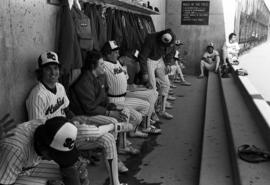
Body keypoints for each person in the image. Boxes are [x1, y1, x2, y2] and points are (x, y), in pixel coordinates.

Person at [25, 51, 127, 184]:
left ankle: (115, 183)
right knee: (78, 166)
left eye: (55, 68)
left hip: (68, 132)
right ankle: (112, 128)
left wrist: (75, 118)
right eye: (48, 69)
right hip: (54, 142)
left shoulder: (60, 87)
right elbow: (37, 132)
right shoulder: (37, 95)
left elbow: (66, 109)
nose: (53, 73)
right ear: (41, 72)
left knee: (107, 139)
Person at [69, 50, 140, 154]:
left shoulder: (101, 76)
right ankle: (111, 150)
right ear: (93, 66)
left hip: (98, 110)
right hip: (86, 114)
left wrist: (111, 107)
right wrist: (109, 112)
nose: (103, 66)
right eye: (101, 64)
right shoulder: (84, 81)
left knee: (124, 112)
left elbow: (104, 98)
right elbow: (89, 108)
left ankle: (121, 146)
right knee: (114, 121)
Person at [0, 116, 83, 185]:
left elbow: (68, 167)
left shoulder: (48, 127)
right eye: (53, 155)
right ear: (42, 146)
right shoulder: (16, 149)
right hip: (6, 171)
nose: (52, 159)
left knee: (75, 171)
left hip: (26, 166)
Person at [101, 41, 153, 137]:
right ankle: (123, 139)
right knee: (136, 117)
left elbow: (126, 80)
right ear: (108, 54)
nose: (118, 54)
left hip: (124, 98)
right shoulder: (103, 65)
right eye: (115, 52)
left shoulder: (117, 63)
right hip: (113, 100)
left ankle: (132, 130)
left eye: (118, 52)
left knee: (146, 105)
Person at [138, 28, 176, 119]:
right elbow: (142, 57)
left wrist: (167, 64)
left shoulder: (172, 38)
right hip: (150, 60)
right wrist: (144, 72)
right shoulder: (151, 39)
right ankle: (152, 112)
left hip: (159, 59)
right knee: (153, 88)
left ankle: (162, 110)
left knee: (166, 84)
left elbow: (172, 52)